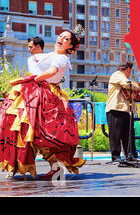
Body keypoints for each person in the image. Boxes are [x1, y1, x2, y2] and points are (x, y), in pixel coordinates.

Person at [0, 27, 86, 180]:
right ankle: (51, 167)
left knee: (37, 130)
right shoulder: (53, 55)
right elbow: (38, 59)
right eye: (61, 36)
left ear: (71, 48)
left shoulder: (62, 58)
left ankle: (37, 164)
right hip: (38, 92)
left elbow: (52, 72)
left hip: (45, 95)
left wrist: (34, 79)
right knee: (35, 131)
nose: (61, 39)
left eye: (66, 39)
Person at [105, 62, 140, 162]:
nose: (130, 73)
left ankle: (131, 155)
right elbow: (127, 84)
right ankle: (116, 157)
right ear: (128, 69)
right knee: (115, 134)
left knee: (128, 134)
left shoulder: (123, 77)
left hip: (126, 109)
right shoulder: (117, 75)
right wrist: (136, 86)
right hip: (115, 108)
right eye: (131, 71)